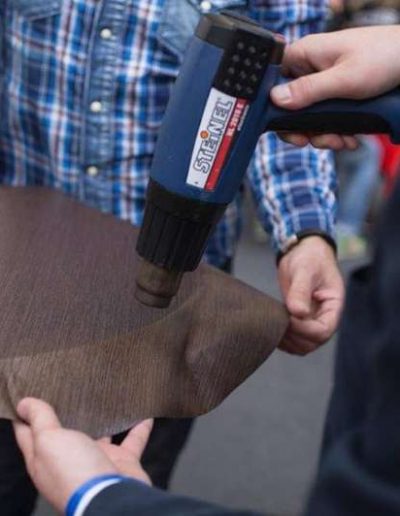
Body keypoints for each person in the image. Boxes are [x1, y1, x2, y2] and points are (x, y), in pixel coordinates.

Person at [12, 23, 400, 516]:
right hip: (26, 287)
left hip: (170, 317)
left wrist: (303, 233)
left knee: (134, 460)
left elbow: (280, 88)